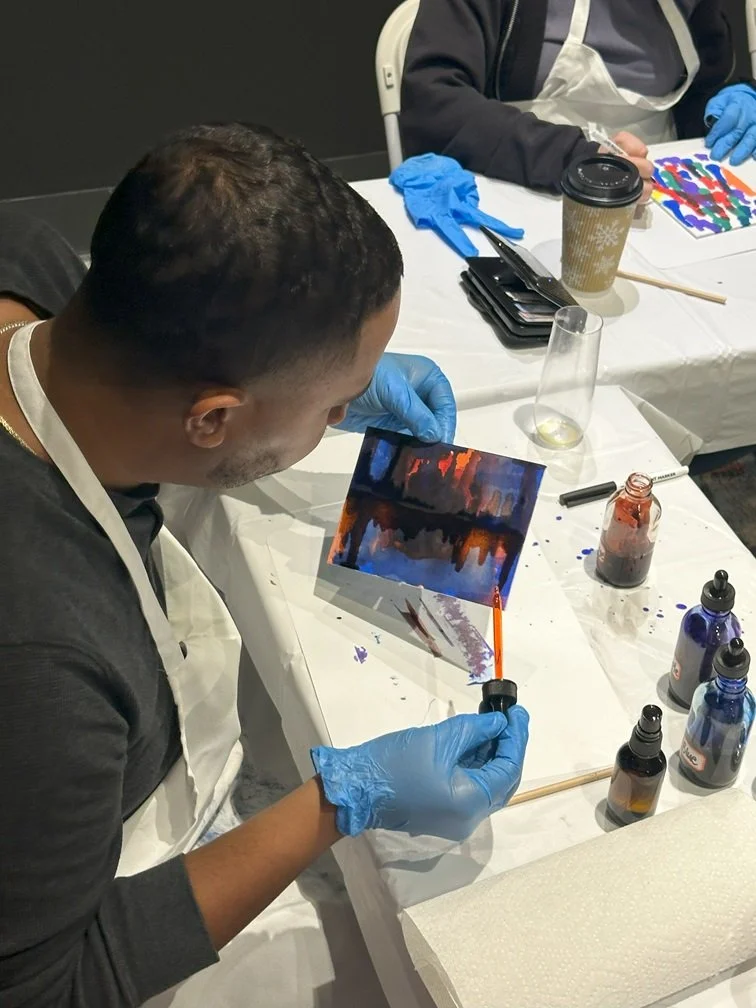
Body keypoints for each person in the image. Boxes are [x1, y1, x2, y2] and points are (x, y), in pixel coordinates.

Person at [0, 123, 529, 1008]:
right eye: (333, 404)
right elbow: (50, 984)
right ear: (211, 420)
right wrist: (338, 801)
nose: (345, 412)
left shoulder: (33, 273)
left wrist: (316, 393)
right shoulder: (42, 664)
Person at [401, 0, 752, 196]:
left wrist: (730, 102)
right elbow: (433, 107)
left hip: (657, 195)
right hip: (523, 190)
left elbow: (700, 92)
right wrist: (576, 159)